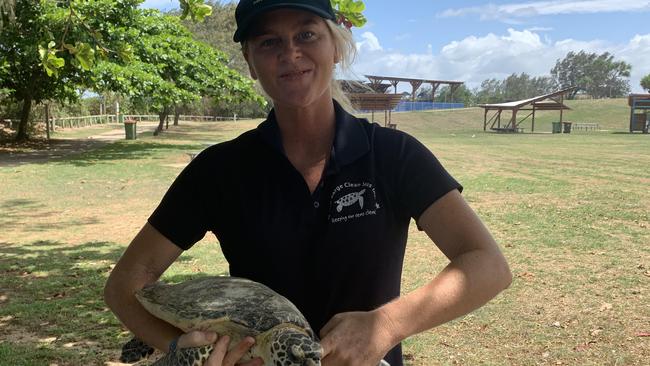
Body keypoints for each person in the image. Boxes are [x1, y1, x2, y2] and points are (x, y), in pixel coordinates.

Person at [104, 0, 513, 365]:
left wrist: (386, 325)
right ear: (249, 61)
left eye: (306, 34)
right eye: (268, 42)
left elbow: (487, 264)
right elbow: (125, 286)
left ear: (334, 45)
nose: (290, 53)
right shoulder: (220, 170)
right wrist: (183, 349)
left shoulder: (393, 155)